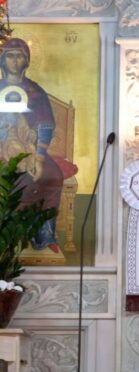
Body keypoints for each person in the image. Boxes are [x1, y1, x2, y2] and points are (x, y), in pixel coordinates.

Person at [0, 38, 62, 252]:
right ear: (2, 60)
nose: (14, 60)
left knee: (54, 175)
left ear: (26, 61)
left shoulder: (35, 92)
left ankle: (43, 233)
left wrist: (40, 158)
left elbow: (45, 124)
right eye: (10, 56)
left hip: (29, 148)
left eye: (19, 56)